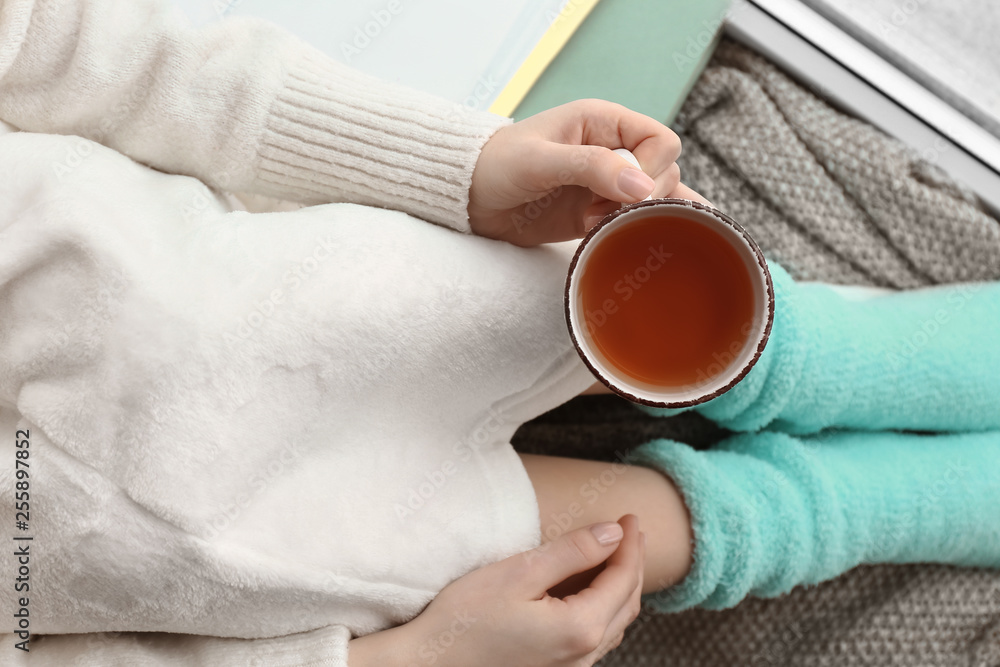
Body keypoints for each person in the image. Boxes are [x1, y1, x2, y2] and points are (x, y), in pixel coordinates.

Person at [0, 1, 997, 665]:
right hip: (232, 568)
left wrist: (459, 170)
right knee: (641, 532)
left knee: (626, 307)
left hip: (265, 295)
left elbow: (60, 42)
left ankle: (820, 355)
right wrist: (399, 663)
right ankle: (855, 508)